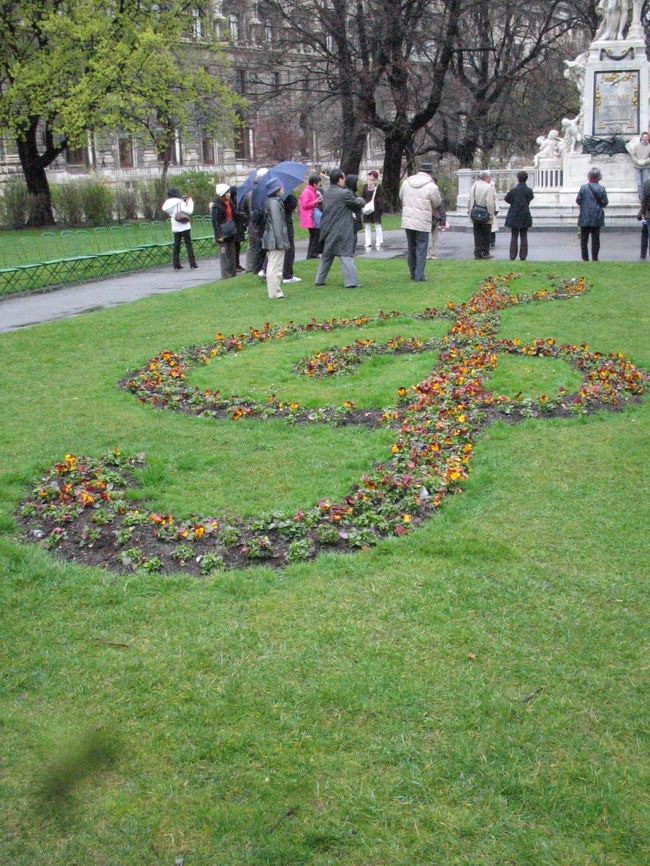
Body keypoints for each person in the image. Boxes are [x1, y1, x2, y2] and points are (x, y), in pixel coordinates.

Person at [315, 169, 365, 288]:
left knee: (327, 256)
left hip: (328, 228)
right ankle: (351, 282)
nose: (345, 181)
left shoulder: (326, 193)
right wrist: (361, 200)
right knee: (346, 255)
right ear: (339, 179)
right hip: (342, 229)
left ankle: (319, 280)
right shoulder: (345, 193)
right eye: (343, 178)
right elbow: (356, 205)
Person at [399, 162, 442, 281]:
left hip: (408, 219)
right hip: (423, 220)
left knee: (411, 247)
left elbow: (401, 196)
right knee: (421, 247)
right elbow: (437, 202)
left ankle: (412, 273)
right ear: (430, 173)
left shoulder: (406, 182)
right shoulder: (431, 186)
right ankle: (419, 275)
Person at [261, 177, 290, 299]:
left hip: (272, 238)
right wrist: (281, 241)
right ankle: (275, 292)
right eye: (281, 186)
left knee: (274, 265)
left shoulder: (273, 201)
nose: (283, 188)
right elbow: (277, 223)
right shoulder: (274, 202)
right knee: (275, 266)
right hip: (275, 239)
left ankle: (275, 291)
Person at [239, 166, 268, 273]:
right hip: (257, 222)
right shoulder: (259, 193)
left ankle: (250, 267)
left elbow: (243, 209)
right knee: (258, 246)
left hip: (252, 223)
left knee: (252, 246)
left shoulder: (249, 192)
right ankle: (257, 267)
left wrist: (248, 219)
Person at [576, 167, 608, 261]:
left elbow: (578, 200)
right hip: (596, 216)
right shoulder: (601, 188)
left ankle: (585, 258)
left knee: (584, 240)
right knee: (596, 239)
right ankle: (595, 258)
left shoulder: (583, 188)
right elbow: (605, 202)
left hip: (585, 216)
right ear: (599, 177)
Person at [161, 188, 197, 270]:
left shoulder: (167, 204)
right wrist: (190, 202)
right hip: (184, 226)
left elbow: (170, 212)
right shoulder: (180, 202)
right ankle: (192, 263)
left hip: (175, 226)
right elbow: (189, 211)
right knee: (188, 244)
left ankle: (176, 264)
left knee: (176, 245)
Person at [504, 171, 534, 261]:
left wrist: (513, 203)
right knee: (524, 235)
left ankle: (512, 255)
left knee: (514, 235)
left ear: (518, 178)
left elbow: (506, 198)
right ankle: (523, 255)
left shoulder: (514, 190)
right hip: (525, 213)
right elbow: (530, 198)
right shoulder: (529, 190)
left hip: (514, 213)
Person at [467, 170, 496, 260]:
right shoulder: (489, 187)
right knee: (486, 234)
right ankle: (485, 252)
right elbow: (490, 203)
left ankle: (477, 252)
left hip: (475, 213)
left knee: (477, 234)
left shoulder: (474, 186)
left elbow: (470, 199)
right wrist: (491, 214)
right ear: (486, 177)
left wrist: (469, 210)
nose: (490, 178)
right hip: (485, 213)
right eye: (489, 177)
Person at [211, 183, 237, 279]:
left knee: (232, 253)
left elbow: (235, 213)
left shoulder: (229, 203)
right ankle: (226, 275)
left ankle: (233, 273)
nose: (229, 194)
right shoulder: (216, 206)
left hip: (230, 232)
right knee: (224, 255)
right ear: (223, 194)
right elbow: (215, 222)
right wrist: (219, 235)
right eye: (227, 192)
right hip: (222, 234)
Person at [298, 174, 322, 259]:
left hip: (312, 217)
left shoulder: (311, 191)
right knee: (315, 236)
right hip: (310, 218)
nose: (320, 185)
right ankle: (312, 254)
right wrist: (315, 202)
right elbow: (304, 205)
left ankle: (312, 254)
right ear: (314, 184)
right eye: (319, 184)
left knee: (314, 236)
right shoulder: (307, 191)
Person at [362, 169, 384, 250]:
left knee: (377, 225)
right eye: (369, 175)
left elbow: (381, 198)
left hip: (376, 209)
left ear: (375, 178)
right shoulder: (365, 186)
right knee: (367, 225)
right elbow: (363, 197)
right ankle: (368, 242)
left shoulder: (378, 187)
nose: (370, 177)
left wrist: (380, 209)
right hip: (367, 209)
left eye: (371, 176)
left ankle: (379, 241)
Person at [282, 193, 302, 284]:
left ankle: (287, 273)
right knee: (289, 250)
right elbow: (291, 205)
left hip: (283, 224)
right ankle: (287, 274)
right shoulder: (285, 196)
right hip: (285, 224)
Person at [427, 177, 448, 260]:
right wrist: (443, 221)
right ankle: (433, 253)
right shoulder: (438, 193)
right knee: (434, 237)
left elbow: (441, 208)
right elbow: (442, 208)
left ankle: (429, 253)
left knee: (428, 237)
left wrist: (443, 221)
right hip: (435, 217)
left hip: (430, 217)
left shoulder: (427, 192)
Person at [625, 131, 650, 199]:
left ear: (648, 138)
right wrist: (637, 161)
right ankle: (641, 198)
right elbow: (633, 155)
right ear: (641, 137)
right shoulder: (636, 145)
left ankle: (645, 198)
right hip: (637, 167)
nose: (645, 138)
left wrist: (644, 161)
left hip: (646, 167)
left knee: (645, 184)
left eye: (646, 137)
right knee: (639, 184)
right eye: (644, 137)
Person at [345, 174, 364, 255]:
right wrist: (360, 201)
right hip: (352, 220)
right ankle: (350, 255)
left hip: (354, 220)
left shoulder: (351, 192)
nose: (357, 184)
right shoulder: (349, 193)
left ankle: (351, 254)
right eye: (356, 182)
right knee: (352, 239)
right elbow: (354, 205)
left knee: (353, 238)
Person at [637, 177, 650, 259]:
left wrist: (642, 212)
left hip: (647, 214)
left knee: (644, 234)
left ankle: (643, 255)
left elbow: (643, 199)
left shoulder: (647, 183)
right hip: (647, 213)